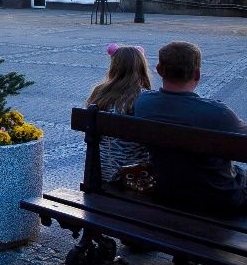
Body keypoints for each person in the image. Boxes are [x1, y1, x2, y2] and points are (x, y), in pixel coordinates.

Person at [134, 41, 247, 213]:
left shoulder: (144, 103)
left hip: (167, 190)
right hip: (220, 199)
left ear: (159, 69)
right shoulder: (218, 114)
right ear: (197, 74)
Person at [85, 44, 152, 184]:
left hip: (99, 173)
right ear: (141, 67)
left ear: (114, 66)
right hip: (133, 177)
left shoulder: (99, 93)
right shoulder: (144, 98)